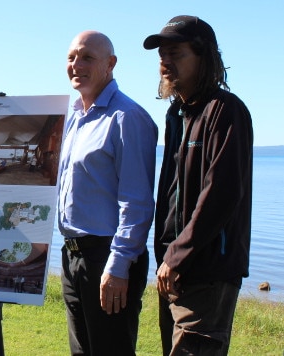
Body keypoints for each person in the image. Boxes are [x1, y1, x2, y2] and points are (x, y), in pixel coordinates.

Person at [143, 15, 253, 355]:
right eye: (162, 55)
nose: (165, 62)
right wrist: (167, 257)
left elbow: (221, 193)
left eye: (175, 53)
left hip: (206, 271)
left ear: (203, 56)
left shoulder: (225, 111)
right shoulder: (176, 114)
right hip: (172, 269)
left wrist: (177, 256)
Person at [57, 30, 158, 355]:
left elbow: (137, 203)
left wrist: (117, 267)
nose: (77, 64)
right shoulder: (75, 119)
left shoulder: (127, 118)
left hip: (107, 257)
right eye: (72, 57)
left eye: (87, 57)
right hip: (73, 255)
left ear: (110, 64)